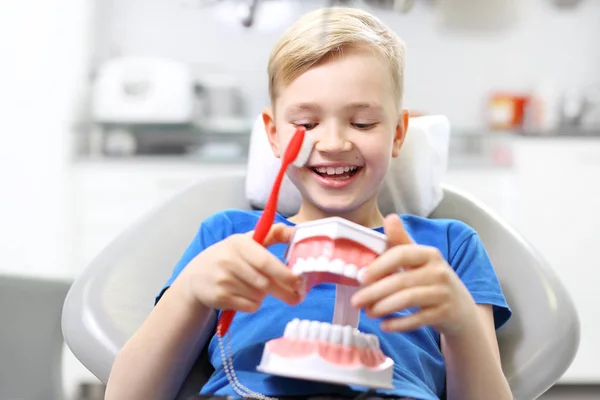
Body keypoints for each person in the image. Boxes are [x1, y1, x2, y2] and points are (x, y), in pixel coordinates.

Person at [105, 6, 513, 400]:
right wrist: (191, 291)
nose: (334, 144)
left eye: (363, 123)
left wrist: (461, 324)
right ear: (274, 134)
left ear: (397, 133)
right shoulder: (228, 239)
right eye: (306, 124)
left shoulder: (447, 250)